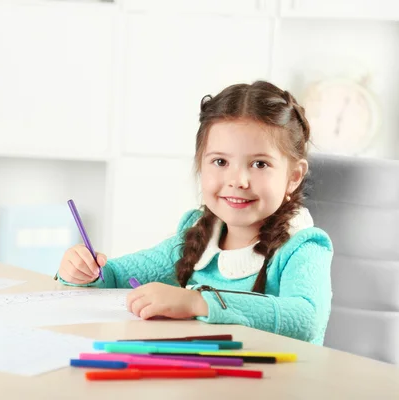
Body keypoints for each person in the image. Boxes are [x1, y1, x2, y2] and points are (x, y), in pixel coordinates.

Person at [56, 81, 333, 345]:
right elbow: (115, 276)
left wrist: (198, 303)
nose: (238, 180)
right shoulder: (197, 235)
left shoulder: (303, 246)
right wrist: (86, 271)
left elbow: (305, 317)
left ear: (294, 176)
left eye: (260, 164)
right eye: (220, 161)